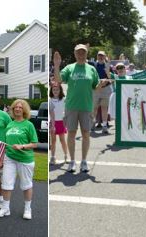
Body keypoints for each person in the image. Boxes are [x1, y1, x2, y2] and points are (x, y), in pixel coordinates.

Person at [55, 45, 99, 173]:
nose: (81, 54)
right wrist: (57, 65)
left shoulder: (91, 69)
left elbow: (95, 86)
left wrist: (101, 85)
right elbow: (58, 80)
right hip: (71, 107)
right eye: (78, 52)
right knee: (72, 134)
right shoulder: (69, 68)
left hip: (86, 107)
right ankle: (72, 161)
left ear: (86, 54)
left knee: (86, 133)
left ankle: (84, 161)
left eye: (83, 52)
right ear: (74, 54)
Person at [0, 99, 39, 220]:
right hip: (10, 158)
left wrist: (22, 146)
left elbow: (35, 144)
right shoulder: (10, 124)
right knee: (6, 184)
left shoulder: (28, 125)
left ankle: (27, 209)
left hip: (25, 159)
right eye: (15, 107)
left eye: (20, 107)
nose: (18, 109)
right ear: (13, 110)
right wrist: (0, 158)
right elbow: (5, 144)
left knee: (26, 185)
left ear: (24, 110)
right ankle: (5, 208)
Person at [91, 51, 113, 134]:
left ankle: (104, 126)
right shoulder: (93, 65)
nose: (100, 57)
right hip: (96, 89)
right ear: (97, 56)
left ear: (104, 57)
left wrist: (105, 81)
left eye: (102, 56)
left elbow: (111, 78)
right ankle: (93, 123)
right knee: (94, 108)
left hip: (105, 89)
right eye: (99, 55)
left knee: (104, 108)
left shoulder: (108, 66)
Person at [49, 81, 68, 166]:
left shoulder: (63, 99)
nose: (55, 91)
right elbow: (51, 113)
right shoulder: (50, 100)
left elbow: (67, 111)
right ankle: (52, 157)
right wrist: (53, 125)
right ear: (51, 91)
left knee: (62, 140)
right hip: (53, 123)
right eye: (54, 90)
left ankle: (66, 156)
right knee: (53, 141)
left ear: (60, 90)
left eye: (57, 90)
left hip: (61, 122)